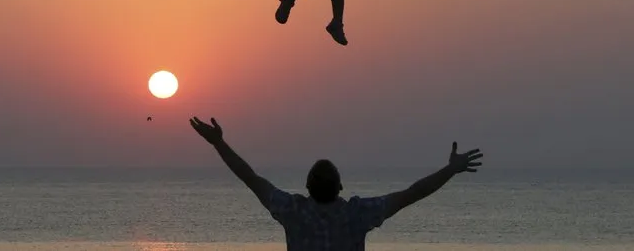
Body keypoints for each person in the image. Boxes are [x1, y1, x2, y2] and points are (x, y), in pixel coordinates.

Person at [189, 116, 483, 251]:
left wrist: (219, 143)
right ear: (341, 187)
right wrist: (450, 170)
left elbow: (249, 177)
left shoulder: (293, 211)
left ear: (307, 186)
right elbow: (413, 193)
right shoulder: (357, 214)